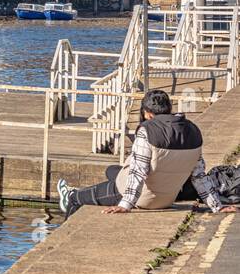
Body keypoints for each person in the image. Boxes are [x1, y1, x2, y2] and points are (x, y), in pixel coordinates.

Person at [57, 89, 237, 218]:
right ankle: (96, 183)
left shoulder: (147, 131)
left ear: (147, 113)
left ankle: (69, 198)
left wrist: (125, 205)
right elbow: (198, 175)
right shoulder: (193, 130)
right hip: (168, 197)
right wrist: (217, 206)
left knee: (76, 199)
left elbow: (138, 171)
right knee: (112, 170)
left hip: (143, 198)